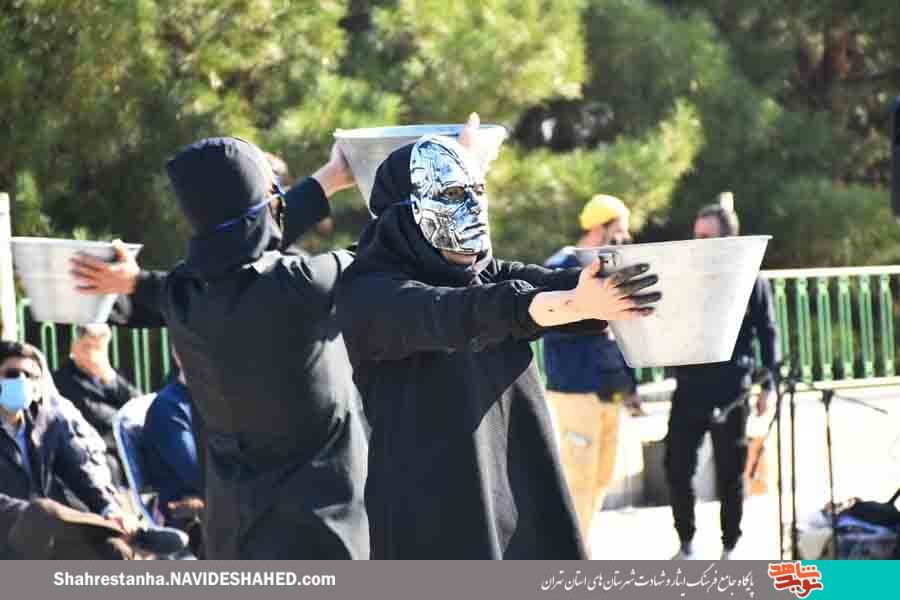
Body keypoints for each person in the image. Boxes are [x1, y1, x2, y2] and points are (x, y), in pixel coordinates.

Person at [335, 124, 662, 559]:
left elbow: (551, 284)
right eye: (454, 194)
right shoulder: (369, 291)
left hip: (519, 493)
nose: (472, 206)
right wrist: (571, 304)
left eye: (478, 191)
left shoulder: (485, 272)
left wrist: (620, 289)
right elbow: (459, 313)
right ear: (405, 214)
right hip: (432, 513)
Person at [71, 137, 369, 560]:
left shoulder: (183, 296)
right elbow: (395, 246)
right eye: (275, 192)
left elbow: (240, 234)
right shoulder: (305, 285)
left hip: (233, 537)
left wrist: (331, 177)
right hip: (322, 540)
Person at [665, 197, 779, 560]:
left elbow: (768, 332)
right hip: (689, 387)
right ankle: (686, 542)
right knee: (677, 466)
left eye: (706, 236)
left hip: (732, 389)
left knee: (731, 472)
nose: (697, 242)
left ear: (728, 239)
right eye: (695, 235)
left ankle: (730, 545)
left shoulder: (750, 277)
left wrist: (769, 385)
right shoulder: (684, 276)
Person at [542, 193, 644, 552]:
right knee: (578, 478)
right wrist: (590, 319)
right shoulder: (562, 266)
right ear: (599, 229)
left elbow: (621, 333)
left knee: (602, 475)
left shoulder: (613, 268)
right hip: (575, 389)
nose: (625, 238)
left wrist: (629, 387)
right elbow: (549, 322)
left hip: (608, 389)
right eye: (619, 230)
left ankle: (582, 548)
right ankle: (568, 555)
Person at [0, 341, 136, 535]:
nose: (22, 381)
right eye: (12, 374)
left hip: (49, 527)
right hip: (12, 531)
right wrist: (35, 513)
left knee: (116, 544)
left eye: (30, 376)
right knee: (46, 511)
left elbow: (78, 470)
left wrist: (108, 508)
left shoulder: (47, 422)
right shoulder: (69, 380)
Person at [53, 323, 140, 486]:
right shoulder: (64, 379)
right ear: (75, 347)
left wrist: (110, 379)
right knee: (110, 465)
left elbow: (138, 405)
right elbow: (93, 412)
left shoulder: (112, 376)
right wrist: (123, 417)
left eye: (98, 348)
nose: (93, 353)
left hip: (120, 441)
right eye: (87, 346)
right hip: (91, 445)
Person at [143, 349, 201, 526]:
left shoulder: (213, 400)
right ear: (178, 354)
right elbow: (197, 475)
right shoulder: (169, 407)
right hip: (188, 517)